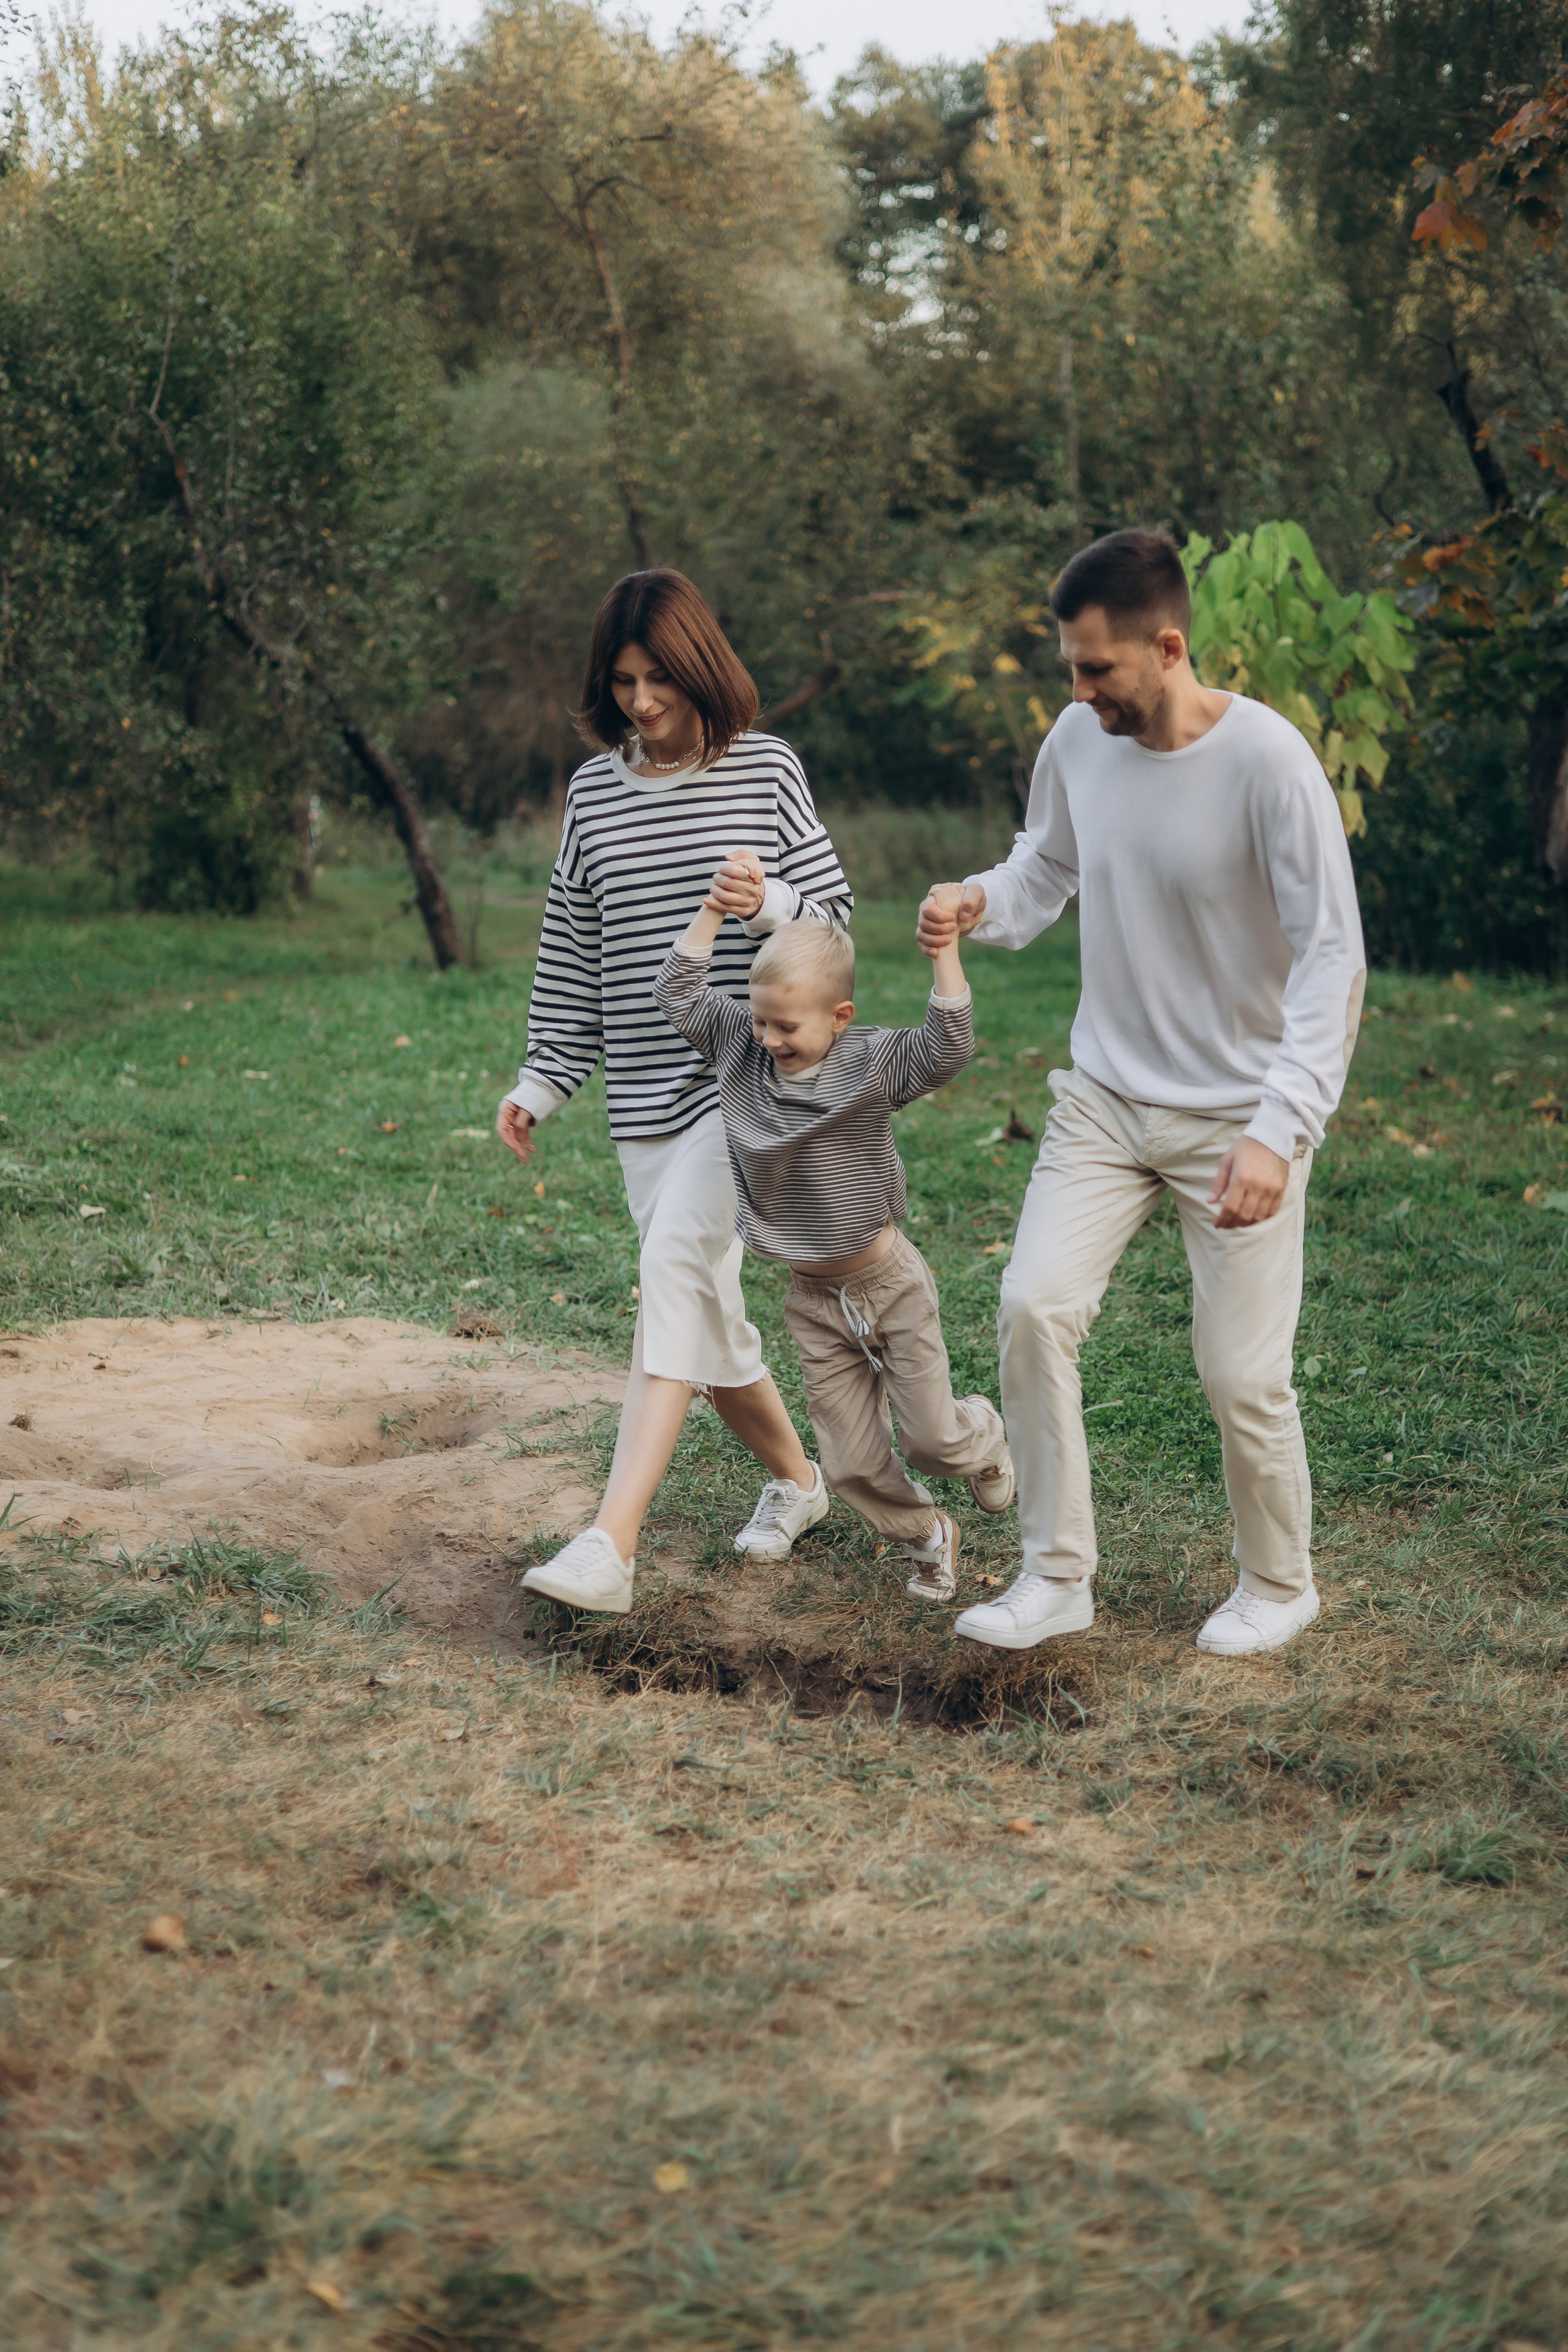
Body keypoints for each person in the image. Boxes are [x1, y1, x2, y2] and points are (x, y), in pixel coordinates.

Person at [917, 527, 1365, 1658]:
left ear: (1168, 648)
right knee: (1030, 1307)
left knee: (1241, 1373)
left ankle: (1279, 1583)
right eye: (1071, 667)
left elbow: (1331, 959)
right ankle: (1056, 1574)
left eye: (1096, 668)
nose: (1078, 692)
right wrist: (981, 899)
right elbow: (1049, 864)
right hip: (1107, 1100)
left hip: (1240, 1115)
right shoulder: (1080, 738)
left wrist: (1280, 1128)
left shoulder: (1271, 763)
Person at [496, 569, 853, 1616]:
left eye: (660, 679)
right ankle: (799, 1483)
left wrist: (771, 901)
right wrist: (543, 1078)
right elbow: (572, 951)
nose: (642, 702)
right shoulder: (594, 794)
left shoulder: (768, 771)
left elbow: (833, 925)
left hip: (749, 1086)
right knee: (707, 1316)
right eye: (624, 681)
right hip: (644, 1105)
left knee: (673, 1268)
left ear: (701, 670)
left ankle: (611, 1543)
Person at [654, 882, 1014, 1597]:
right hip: (813, 1301)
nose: (767, 1039)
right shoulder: (740, 1050)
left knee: (932, 1442)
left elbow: (948, 1047)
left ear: (839, 1017)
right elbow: (678, 992)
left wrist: (943, 953)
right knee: (848, 1465)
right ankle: (927, 1535)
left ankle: (985, 1435)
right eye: (760, 1021)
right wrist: (714, 912)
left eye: (785, 1026)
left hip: (888, 1285)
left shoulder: (871, 1063)